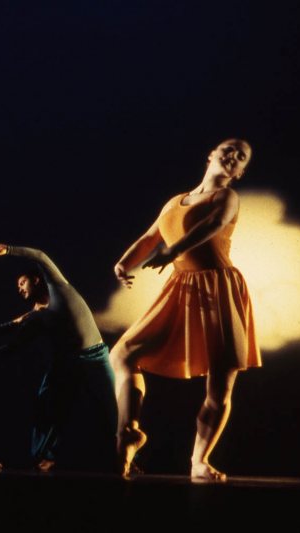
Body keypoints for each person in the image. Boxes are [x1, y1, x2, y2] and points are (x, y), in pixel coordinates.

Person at [110, 139, 261, 480]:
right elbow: (151, 236)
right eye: (229, 149)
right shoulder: (174, 202)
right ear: (211, 154)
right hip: (182, 287)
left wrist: (172, 250)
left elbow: (213, 225)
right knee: (122, 354)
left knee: (220, 384)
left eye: (241, 157)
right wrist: (124, 262)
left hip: (218, 288)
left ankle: (199, 461)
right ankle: (129, 432)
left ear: (239, 172)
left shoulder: (226, 197)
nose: (233, 155)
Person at [0, 243, 118, 473]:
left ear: (36, 280)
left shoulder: (59, 288)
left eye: (22, 282)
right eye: (17, 286)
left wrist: (7, 250)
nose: (19, 288)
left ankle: (123, 454)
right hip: (68, 362)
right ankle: (45, 456)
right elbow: (14, 345)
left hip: (96, 356)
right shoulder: (36, 317)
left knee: (111, 408)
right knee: (47, 404)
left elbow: (41, 256)